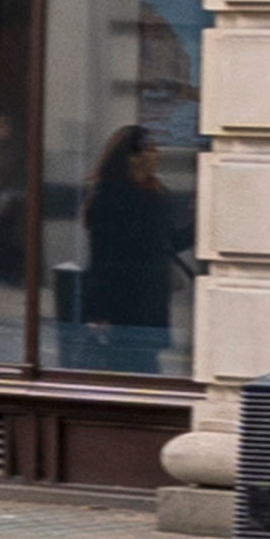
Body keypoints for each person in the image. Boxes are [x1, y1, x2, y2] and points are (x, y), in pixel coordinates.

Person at [79, 123, 186, 366]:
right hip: (122, 304)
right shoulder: (108, 197)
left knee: (146, 370)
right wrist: (98, 312)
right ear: (132, 158)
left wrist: (197, 226)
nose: (157, 154)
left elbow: (167, 243)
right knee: (126, 373)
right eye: (150, 149)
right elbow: (100, 257)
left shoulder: (158, 193)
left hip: (152, 300)